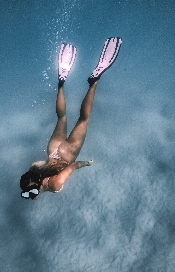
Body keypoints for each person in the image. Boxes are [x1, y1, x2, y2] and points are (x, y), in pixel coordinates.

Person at [20, 37, 122, 200]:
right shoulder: (35, 173)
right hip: (53, 150)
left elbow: (73, 166)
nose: (32, 196)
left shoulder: (54, 185)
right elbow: (35, 165)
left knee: (83, 119)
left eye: (30, 193)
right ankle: (61, 82)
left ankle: (93, 82)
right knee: (62, 117)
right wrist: (42, 165)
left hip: (67, 155)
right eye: (28, 195)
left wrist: (86, 164)